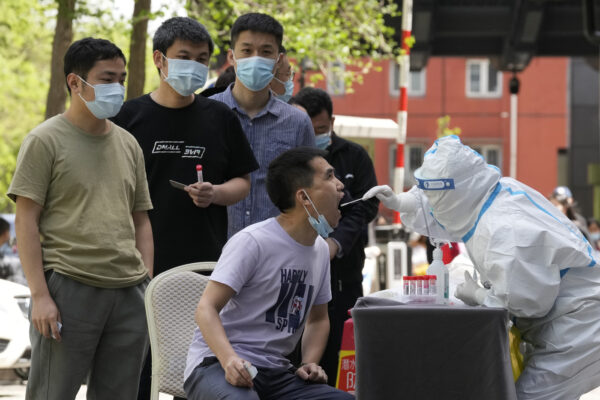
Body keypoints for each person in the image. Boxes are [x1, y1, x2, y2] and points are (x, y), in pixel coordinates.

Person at [364, 135, 600, 400]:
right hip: (569, 318)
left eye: (434, 195)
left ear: (456, 190)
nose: (432, 202)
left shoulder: (503, 231)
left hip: (579, 326)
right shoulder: (492, 196)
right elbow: (452, 214)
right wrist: (403, 203)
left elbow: (529, 302)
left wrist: (478, 295)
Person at [111, 17, 259, 400]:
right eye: (184, 56)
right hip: (136, 263)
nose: (194, 65)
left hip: (203, 263)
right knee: (137, 366)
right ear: (160, 59)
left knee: (192, 366)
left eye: (202, 58)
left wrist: (216, 193)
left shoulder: (220, 117)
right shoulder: (128, 117)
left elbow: (243, 182)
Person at [8, 37, 153, 400]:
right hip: (69, 287)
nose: (117, 88)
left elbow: (141, 220)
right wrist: (40, 295)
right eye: (107, 79)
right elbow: (25, 221)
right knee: (51, 394)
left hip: (128, 291)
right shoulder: (44, 141)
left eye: (121, 78)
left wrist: (146, 282)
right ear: (75, 82)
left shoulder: (128, 143)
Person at [184, 147, 354, 400]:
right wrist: (229, 360)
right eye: (329, 177)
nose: (340, 186)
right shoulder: (253, 242)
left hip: (277, 373)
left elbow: (318, 319)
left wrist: (309, 362)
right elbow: (205, 308)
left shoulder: (319, 250)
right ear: (304, 197)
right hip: (217, 365)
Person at [291, 87, 378, 386]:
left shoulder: (353, 156)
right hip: (295, 273)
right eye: (308, 129)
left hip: (342, 273)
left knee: (340, 357)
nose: (315, 135)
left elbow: (364, 207)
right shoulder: (289, 163)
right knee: (295, 360)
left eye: (321, 129)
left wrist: (333, 244)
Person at [210, 12, 315, 238]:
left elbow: (308, 193)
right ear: (231, 57)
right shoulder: (206, 113)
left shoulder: (297, 123)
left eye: (266, 52)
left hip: (276, 252)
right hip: (214, 251)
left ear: (278, 60)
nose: (256, 58)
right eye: (246, 51)